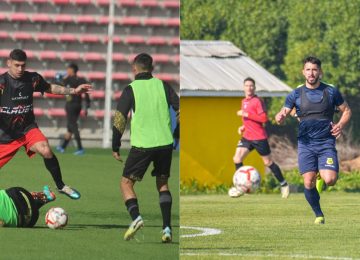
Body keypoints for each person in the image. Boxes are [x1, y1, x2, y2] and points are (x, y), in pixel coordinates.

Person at [0, 49, 91, 200]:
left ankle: (61, 185)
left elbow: (50, 88)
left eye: (23, 65)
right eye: (17, 65)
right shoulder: (2, 83)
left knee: (46, 149)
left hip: (27, 129)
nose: (20, 69)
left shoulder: (32, 79)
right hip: (6, 135)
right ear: (8, 63)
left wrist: (74, 90)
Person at [275, 56, 351, 224]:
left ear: (320, 72)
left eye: (314, 70)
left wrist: (340, 125)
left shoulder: (331, 92)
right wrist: (280, 116)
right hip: (306, 144)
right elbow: (284, 111)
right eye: (308, 69)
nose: (311, 73)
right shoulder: (296, 93)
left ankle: (321, 172)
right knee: (308, 182)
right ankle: (318, 214)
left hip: (326, 144)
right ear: (303, 72)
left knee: (330, 180)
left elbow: (346, 111)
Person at [112, 53, 179, 242]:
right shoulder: (163, 85)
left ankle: (136, 218)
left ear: (134, 68)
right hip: (165, 144)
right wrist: (177, 133)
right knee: (163, 183)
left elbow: (120, 118)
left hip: (143, 145)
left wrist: (115, 144)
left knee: (126, 183)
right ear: (152, 68)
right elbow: (180, 108)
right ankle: (167, 229)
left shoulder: (131, 89)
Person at [233, 77, 290, 198]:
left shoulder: (257, 101)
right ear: (244, 87)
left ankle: (284, 184)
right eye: (247, 85)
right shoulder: (244, 101)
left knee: (268, 162)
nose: (249, 88)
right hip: (247, 137)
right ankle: (241, 187)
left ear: (254, 88)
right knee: (237, 159)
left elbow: (263, 118)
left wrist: (246, 114)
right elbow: (249, 121)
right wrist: (243, 127)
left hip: (259, 137)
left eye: (251, 86)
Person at [56, 63, 90, 155]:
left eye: (68, 69)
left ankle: (80, 148)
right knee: (70, 127)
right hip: (78, 105)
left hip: (70, 105)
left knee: (73, 126)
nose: (67, 70)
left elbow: (58, 85)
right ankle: (63, 147)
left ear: (72, 70)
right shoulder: (81, 80)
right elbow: (86, 93)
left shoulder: (68, 79)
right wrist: (87, 106)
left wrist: (58, 78)